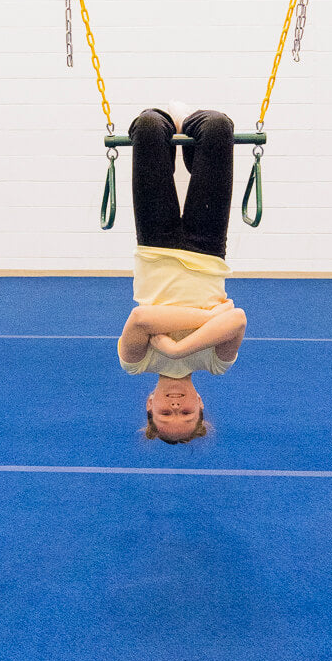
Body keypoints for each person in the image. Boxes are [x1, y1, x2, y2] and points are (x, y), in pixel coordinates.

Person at [117, 104, 247, 444]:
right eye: (186, 413)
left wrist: (207, 322)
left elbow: (141, 318)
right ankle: (192, 138)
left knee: (148, 126)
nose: (176, 406)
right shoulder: (215, 364)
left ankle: (170, 126)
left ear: (150, 404)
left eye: (165, 413)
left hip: (155, 244)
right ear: (200, 404)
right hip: (207, 248)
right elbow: (239, 319)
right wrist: (189, 334)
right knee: (218, 126)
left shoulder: (135, 362)